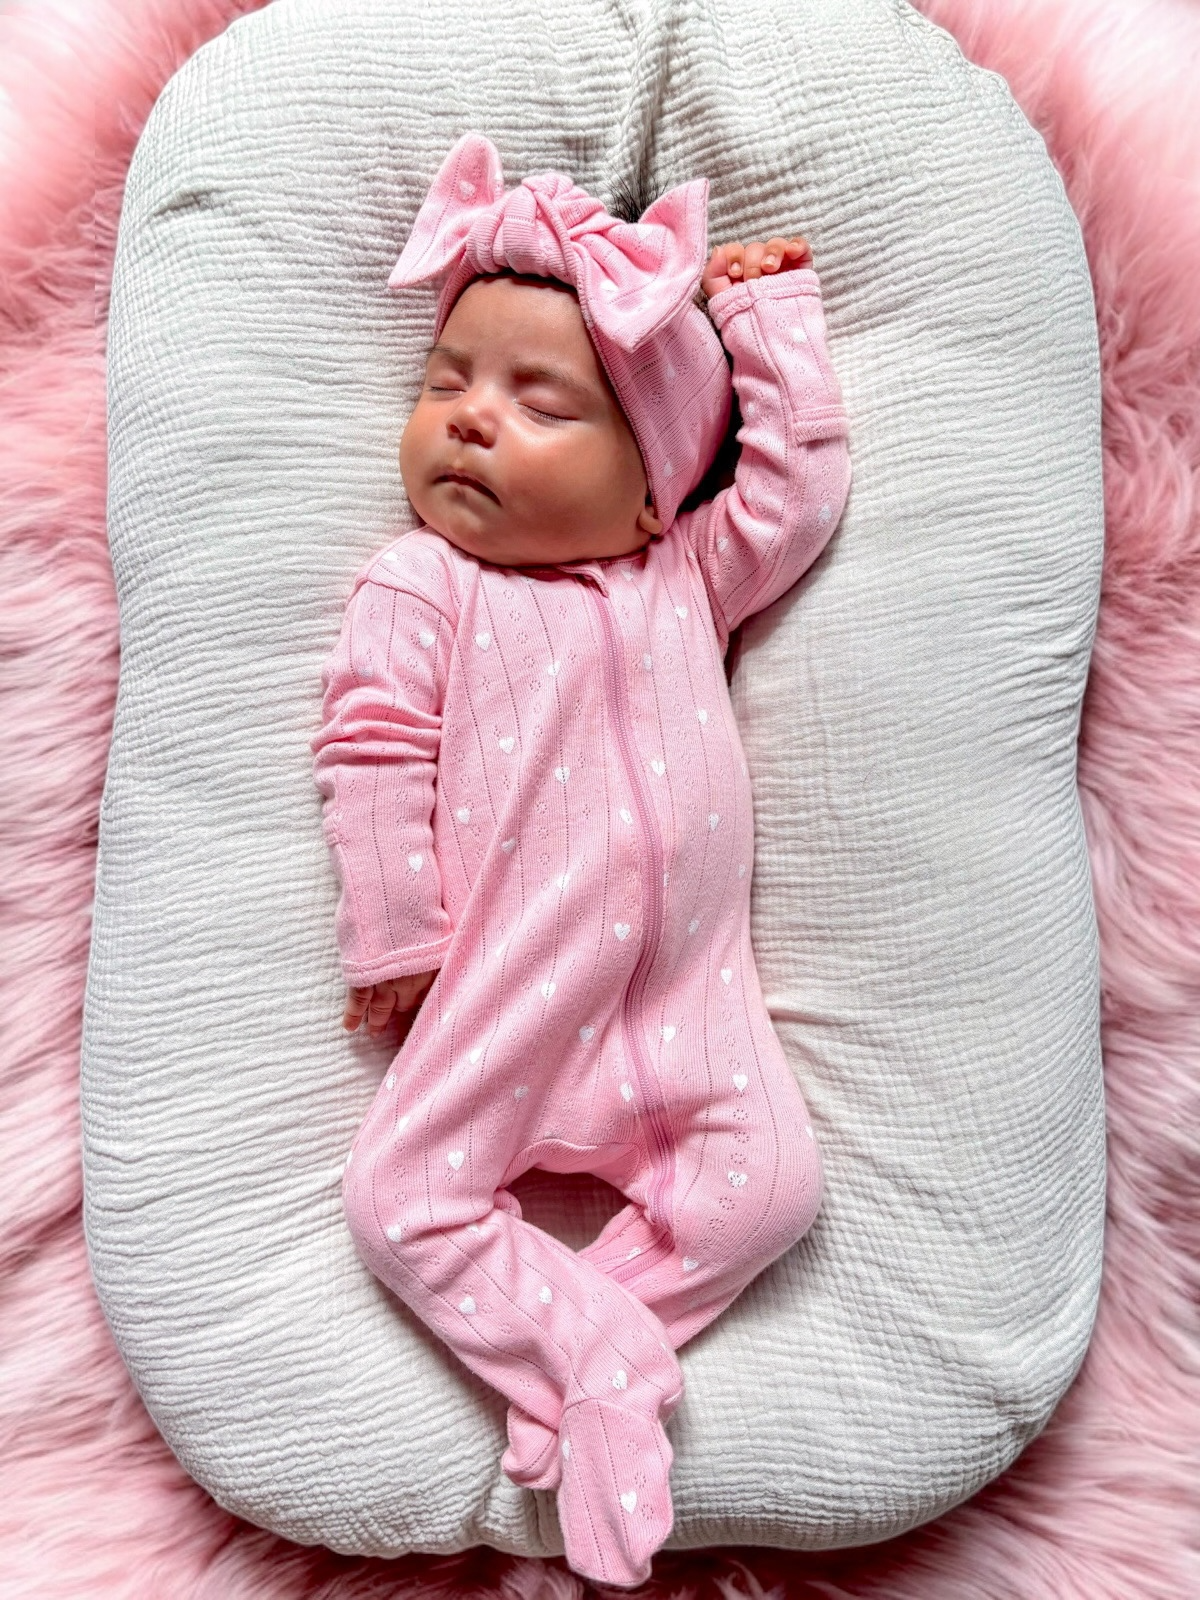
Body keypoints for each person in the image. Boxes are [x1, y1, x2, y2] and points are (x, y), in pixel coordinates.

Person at [311, 131, 852, 1588]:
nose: (472, 421)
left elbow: (795, 490)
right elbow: (370, 755)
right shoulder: (421, 585)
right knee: (399, 1201)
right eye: (448, 385)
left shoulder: (686, 575)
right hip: (511, 987)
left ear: (648, 486)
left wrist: (763, 323)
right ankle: (606, 1381)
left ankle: (581, 1370)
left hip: (688, 1001)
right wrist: (395, 943)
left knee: (772, 1192)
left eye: (538, 398)